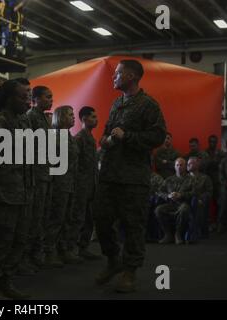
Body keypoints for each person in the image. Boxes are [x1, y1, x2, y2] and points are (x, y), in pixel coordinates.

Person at [94, 59, 166, 293]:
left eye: (118, 73)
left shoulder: (148, 105)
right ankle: (113, 260)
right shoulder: (117, 103)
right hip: (109, 175)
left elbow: (157, 137)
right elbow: (105, 135)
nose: (113, 77)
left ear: (132, 76)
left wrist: (128, 137)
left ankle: (129, 271)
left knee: (133, 226)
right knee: (102, 221)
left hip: (133, 178)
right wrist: (107, 141)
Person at [0, 79, 33, 300]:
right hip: (2, 191)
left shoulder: (23, 122)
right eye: (23, 96)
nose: (27, 101)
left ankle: (6, 280)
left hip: (22, 189)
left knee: (19, 239)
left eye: (28, 96)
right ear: (9, 98)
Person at [21, 86, 53, 273]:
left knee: (40, 217)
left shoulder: (42, 118)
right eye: (48, 97)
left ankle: (34, 254)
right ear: (36, 99)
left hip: (44, 173)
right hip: (35, 174)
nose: (51, 100)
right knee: (31, 218)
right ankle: (24, 257)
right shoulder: (31, 117)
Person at [43, 105, 79, 267]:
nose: (73, 117)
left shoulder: (69, 136)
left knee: (67, 219)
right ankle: (49, 252)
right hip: (58, 184)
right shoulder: (55, 137)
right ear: (61, 117)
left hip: (70, 183)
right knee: (55, 219)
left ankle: (63, 250)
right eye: (70, 115)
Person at [65, 106, 101, 261]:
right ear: (84, 119)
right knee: (77, 218)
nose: (96, 119)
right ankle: (70, 249)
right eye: (92, 117)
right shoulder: (79, 138)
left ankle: (83, 248)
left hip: (91, 184)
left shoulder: (91, 138)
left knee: (89, 218)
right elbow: (75, 165)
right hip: (80, 185)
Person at [155, 158, 194, 245]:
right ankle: (168, 234)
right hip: (171, 203)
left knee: (184, 209)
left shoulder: (191, 179)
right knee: (158, 210)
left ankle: (178, 234)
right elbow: (159, 191)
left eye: (181, 165)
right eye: (177, 165)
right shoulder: (169, 179)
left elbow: (194, 192)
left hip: (184, 203)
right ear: (174, 167)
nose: (179, 167)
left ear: (185, 167)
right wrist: (168, 196)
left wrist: (181, 195)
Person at [187, 157, 213, 240]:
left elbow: (209, 192)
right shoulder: (185, 178)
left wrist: (201, 199)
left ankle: (198, 231)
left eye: (191, 163)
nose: (188, 165)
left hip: (200, 201)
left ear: (197, 165)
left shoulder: (205, 178)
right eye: (188, 163)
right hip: (187, 200)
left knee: (199, 206)